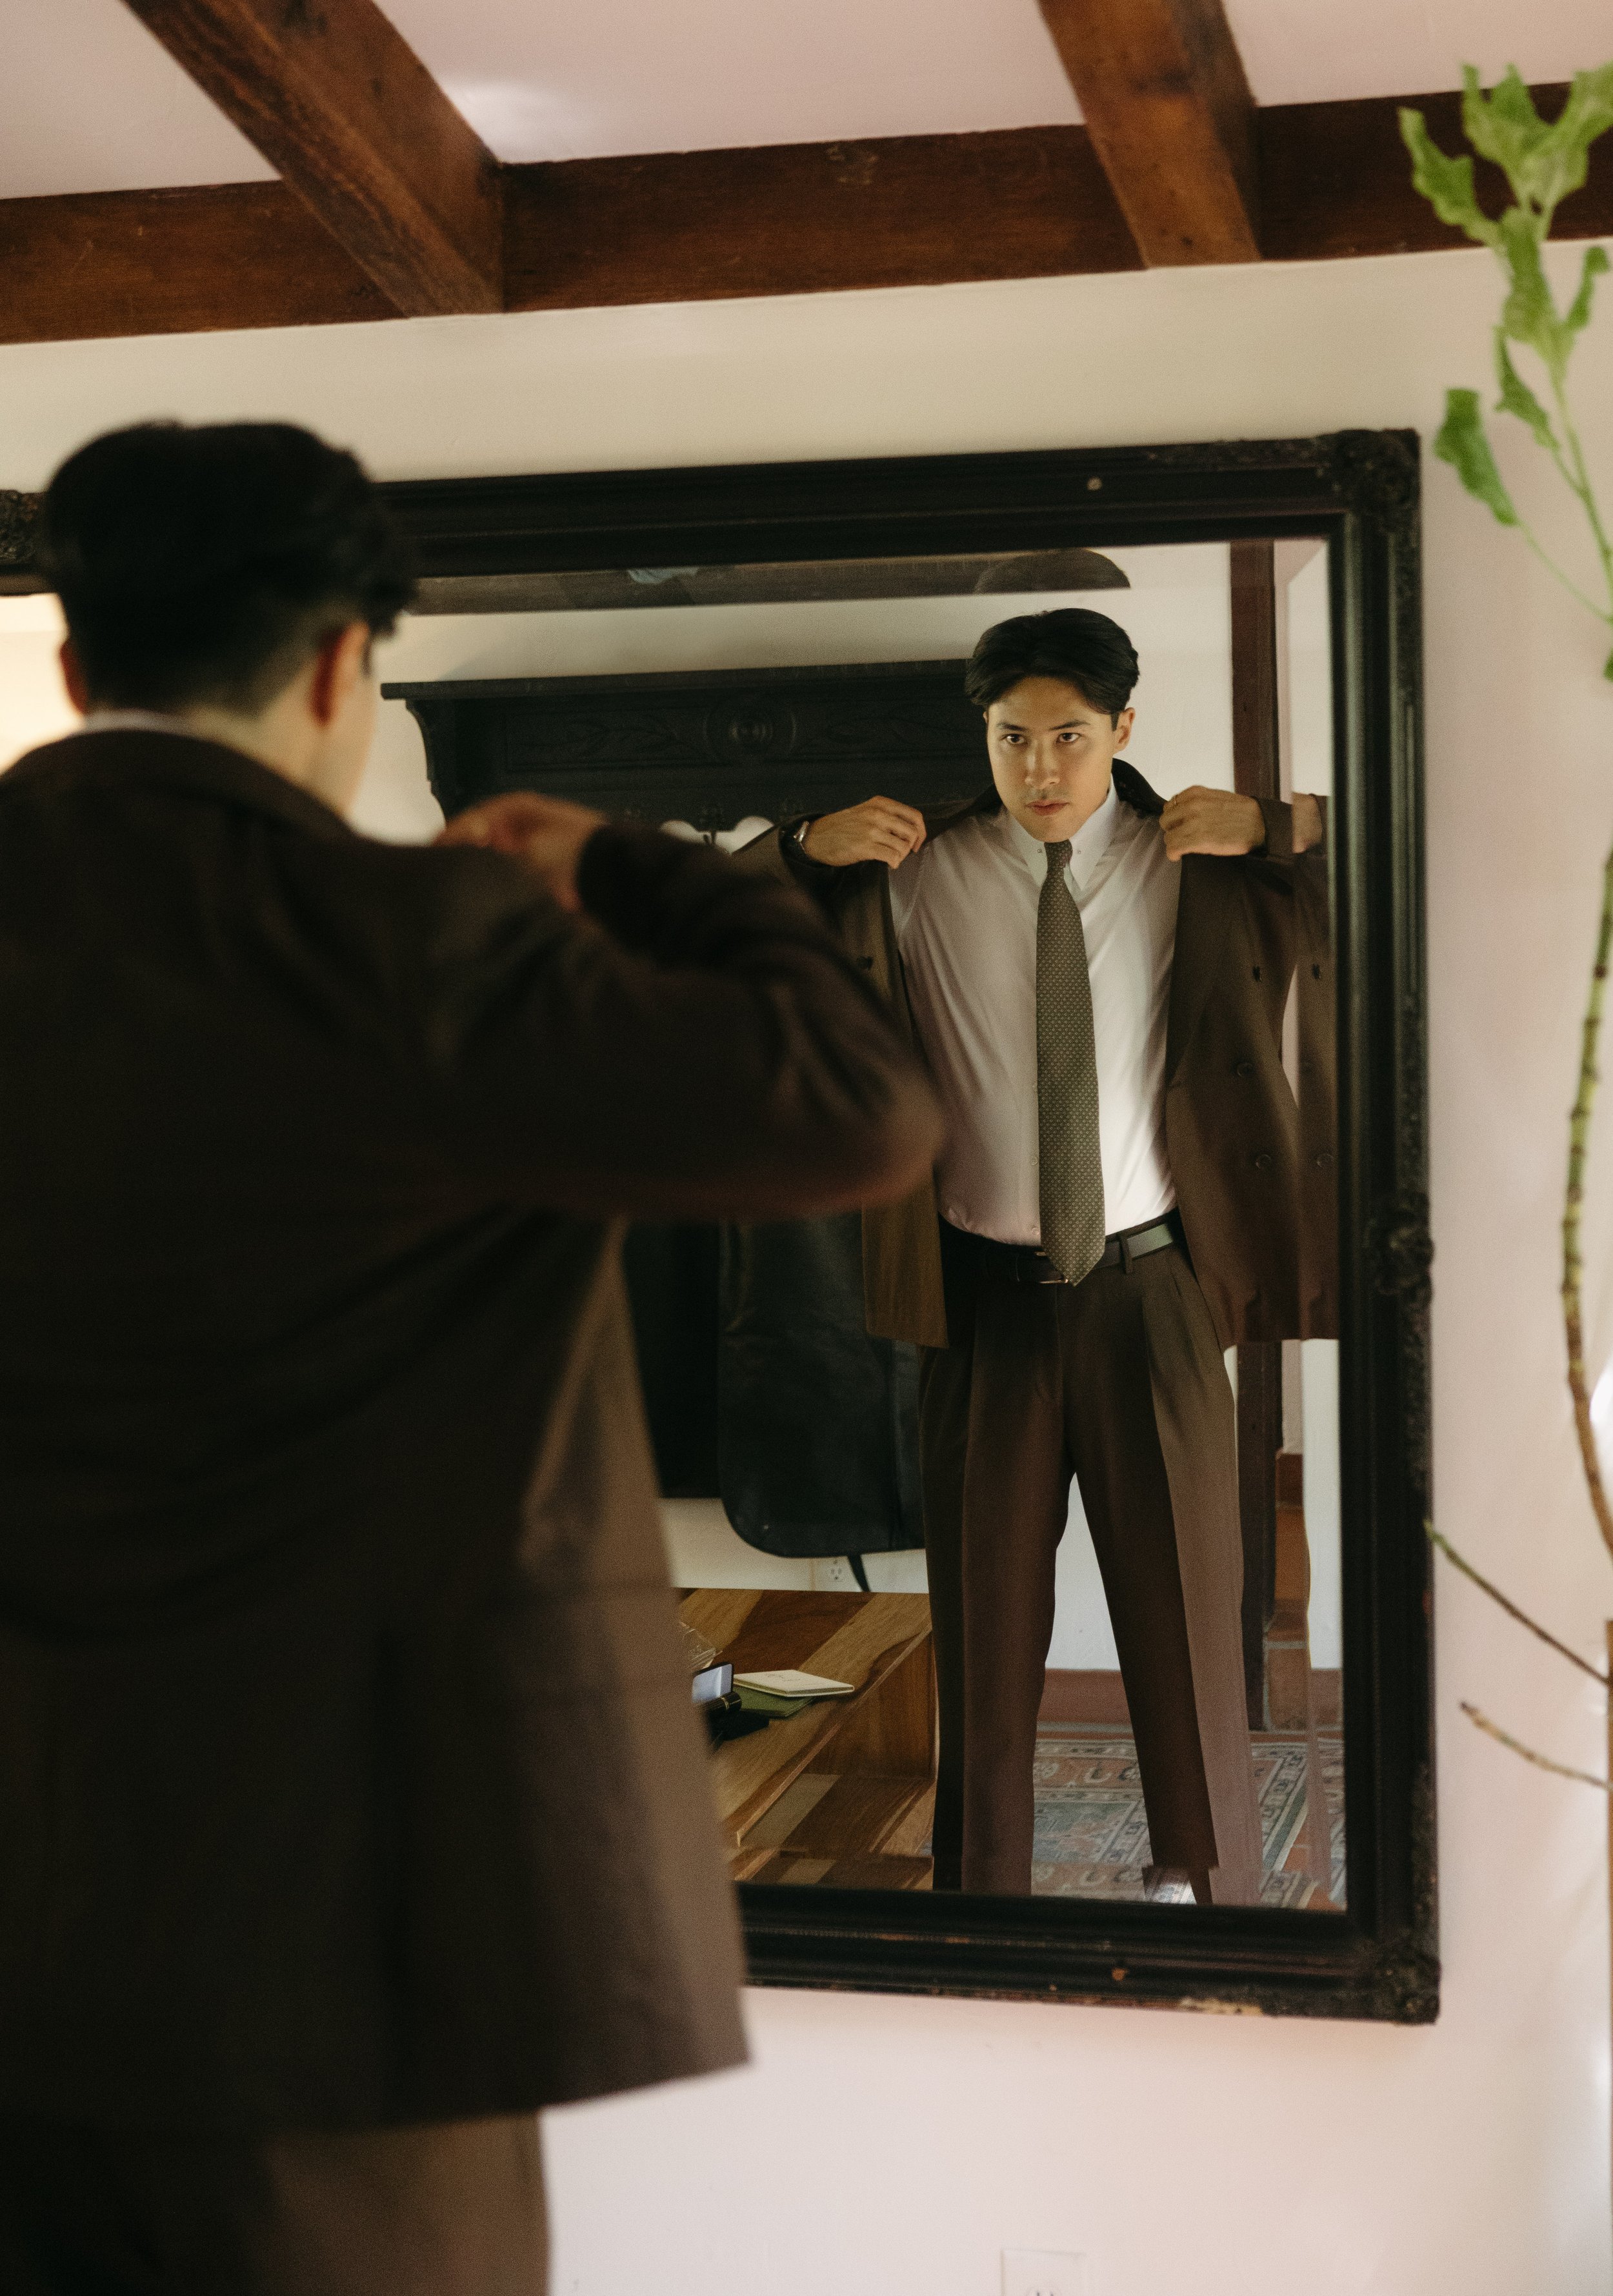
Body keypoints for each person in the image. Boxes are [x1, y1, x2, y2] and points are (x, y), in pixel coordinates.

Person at [0, 421, 943, 2295]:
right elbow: (857, 1111)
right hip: (344, 1923)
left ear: (81, 666)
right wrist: (649, 869)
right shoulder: (415, 944)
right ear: (348, 663)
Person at [739, 607, 1331, 1903]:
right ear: (983, 739)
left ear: (1121, 730)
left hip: (1154, 1287)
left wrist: (1282, 827)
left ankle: (1197, 1880)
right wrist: (794, 845)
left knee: (1180, 1598)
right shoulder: (911, 871)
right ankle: (981, 1892)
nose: (1040, 766)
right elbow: (703, 925)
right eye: (1012, 737)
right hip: (982, 1300)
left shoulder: (1196, 860)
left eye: (1068, 735)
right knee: (985, 1621)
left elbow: (1397, 865)